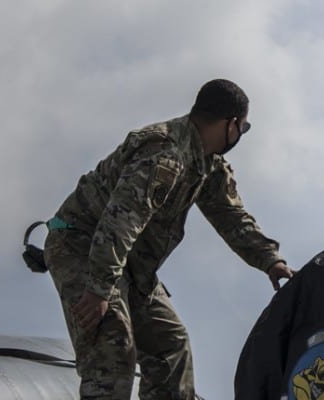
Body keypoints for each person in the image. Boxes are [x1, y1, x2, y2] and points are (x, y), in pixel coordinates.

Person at [43, 79, 294, 399]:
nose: (239, 136)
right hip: (82, 245)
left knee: (170, 348)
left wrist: (271, 261)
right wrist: (98, 288)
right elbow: (121, 219)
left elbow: (231, 217)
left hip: (129, 263)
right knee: (112, 348)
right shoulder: (164, 152)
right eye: (243, 128)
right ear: (230, 123)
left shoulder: (208, 165)